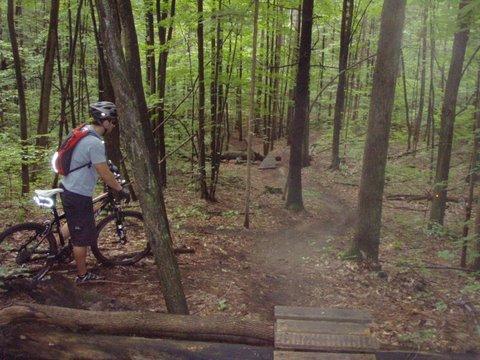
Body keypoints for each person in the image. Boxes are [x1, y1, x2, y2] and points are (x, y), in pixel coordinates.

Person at [60, 101, 129, 284]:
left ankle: (55, 247)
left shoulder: (84, 131)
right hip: (78, 192)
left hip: (69, 186)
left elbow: (100, 162)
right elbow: (104, 174)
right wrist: (120, 189)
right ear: (105, 121)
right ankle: (82, 276)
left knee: (75, 221)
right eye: (113, 121)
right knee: (81, 238)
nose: (114, 125)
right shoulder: (94, 142)